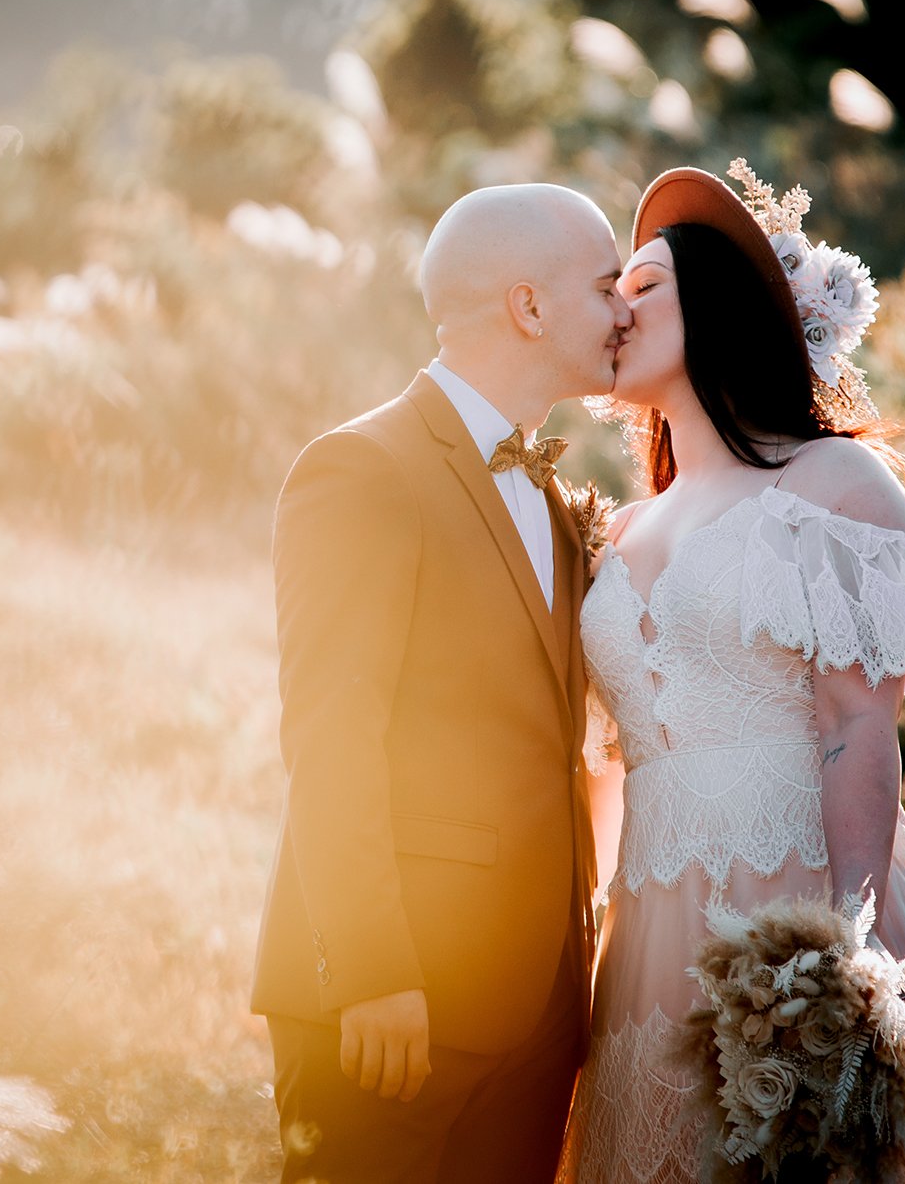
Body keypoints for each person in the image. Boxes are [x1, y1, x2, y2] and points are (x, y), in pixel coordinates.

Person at [556, 164, 905, 1182]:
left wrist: (835, 955)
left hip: (790, 907)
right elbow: (595, 760)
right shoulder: (609, 534)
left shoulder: (827, 485)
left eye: (643, 287)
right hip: (644, 944)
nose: (617, 313)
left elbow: (857, 726)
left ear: (716, 308)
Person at [250, 183, 634, 1183]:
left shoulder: (549, 493)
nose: (624, 309)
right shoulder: (361, 469)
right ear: (529, 306)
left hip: (539, 1013)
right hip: (394, 1008)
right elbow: (332, 733)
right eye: (603, 286)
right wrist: (373, 976)